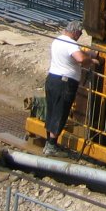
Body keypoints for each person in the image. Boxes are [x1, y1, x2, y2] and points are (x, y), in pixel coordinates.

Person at [44, 20, 96, 156]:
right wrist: (91, 60)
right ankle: (51, 146)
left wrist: (87, 54)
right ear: (75, 32)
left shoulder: (57, 40)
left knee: (52, 110)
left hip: (52, 79)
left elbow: (71, 56)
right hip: (64, 83)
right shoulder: (71, 43)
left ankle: (49, 142)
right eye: (79, 34)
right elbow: (79, 58)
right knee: (60, 112)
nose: (79, 36)